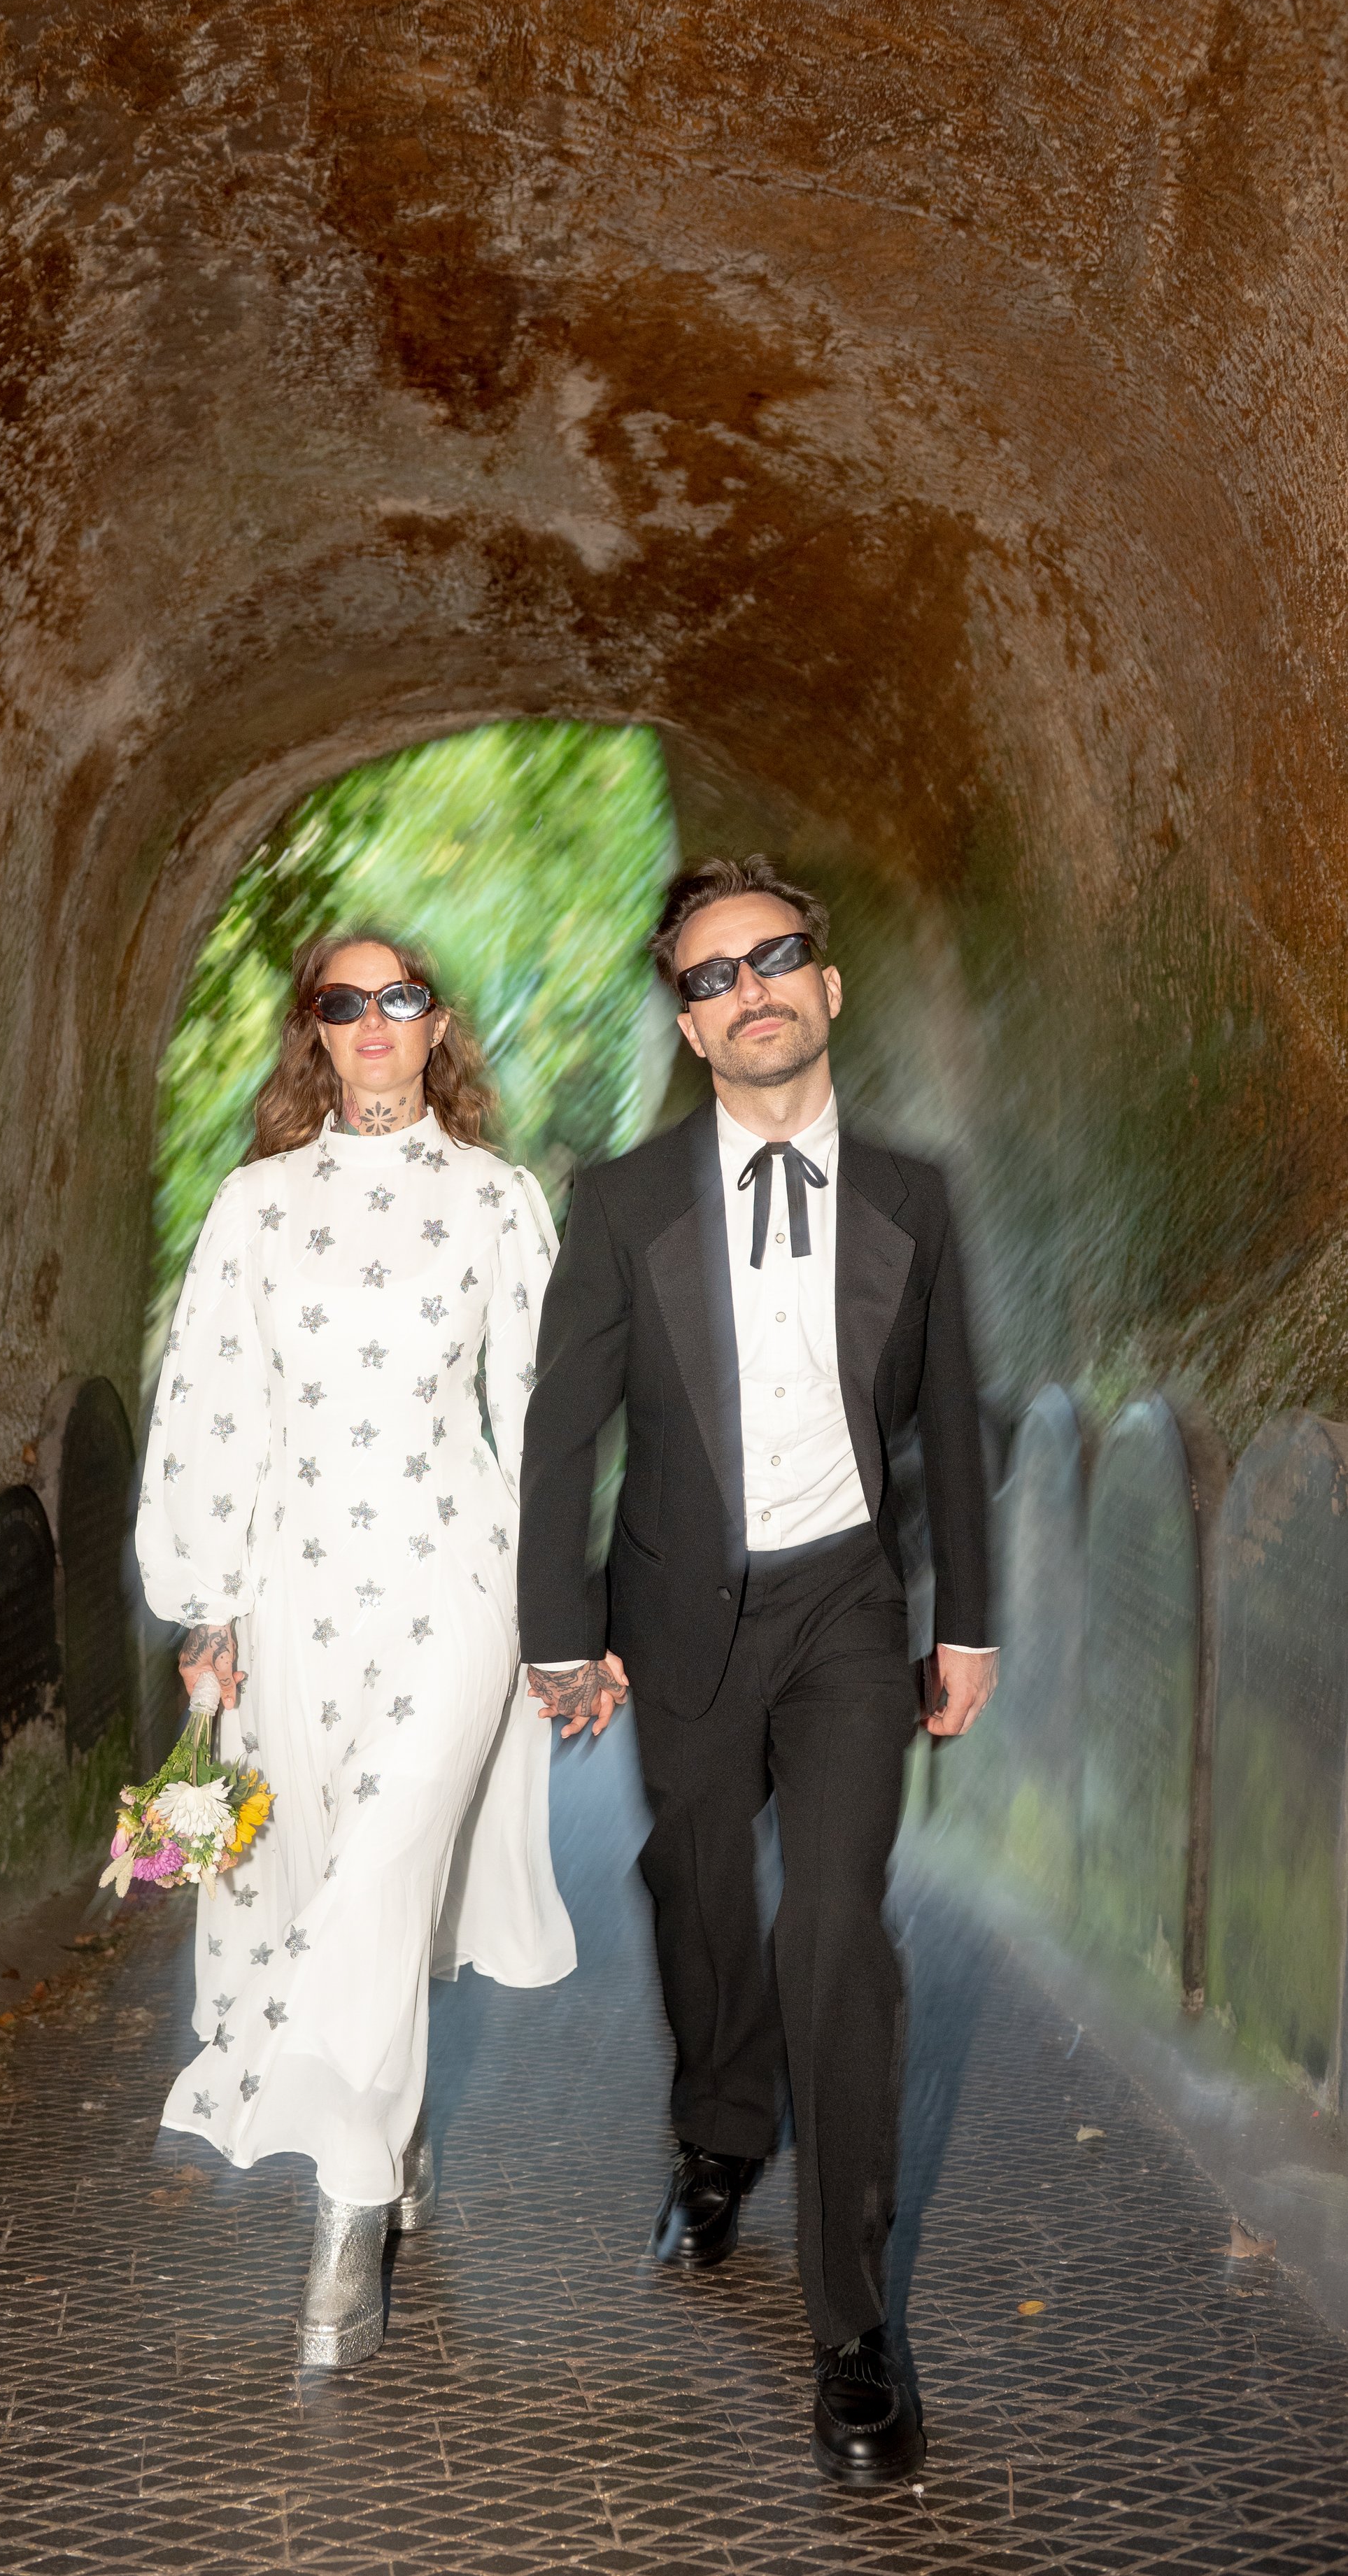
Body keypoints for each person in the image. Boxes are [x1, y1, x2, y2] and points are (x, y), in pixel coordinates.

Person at [518, 855, 996, 2486]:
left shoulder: (915, 1197)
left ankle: (851, 2328)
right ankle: (715, 2131)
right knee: (702, 1889)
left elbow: (944, 1412)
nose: (750, 989)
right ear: (687, 1019)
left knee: (833, 1926)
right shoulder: (623, 1200)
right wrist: (552, 1627)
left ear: (826, 984)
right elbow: (561, 1430)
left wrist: (967, 1619)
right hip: (674, 1612)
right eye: (714, 974)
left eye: (775, 956)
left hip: (850, 1610)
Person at [136, 930, 574, 2369]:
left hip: (455, 1587)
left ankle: (348, 2216)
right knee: (326, 1879)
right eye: (344, 1002)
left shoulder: (497, 1203)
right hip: (295, 1595)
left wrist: (568, 1620)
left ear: (434, 1023)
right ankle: (392, 2118)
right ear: (312, 1035)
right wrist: (206, 1605)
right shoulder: (254, 1209)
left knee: (381, 1873)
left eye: (398, 998)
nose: (373, 1022)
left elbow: (543, 1413)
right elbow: (210, 1405)